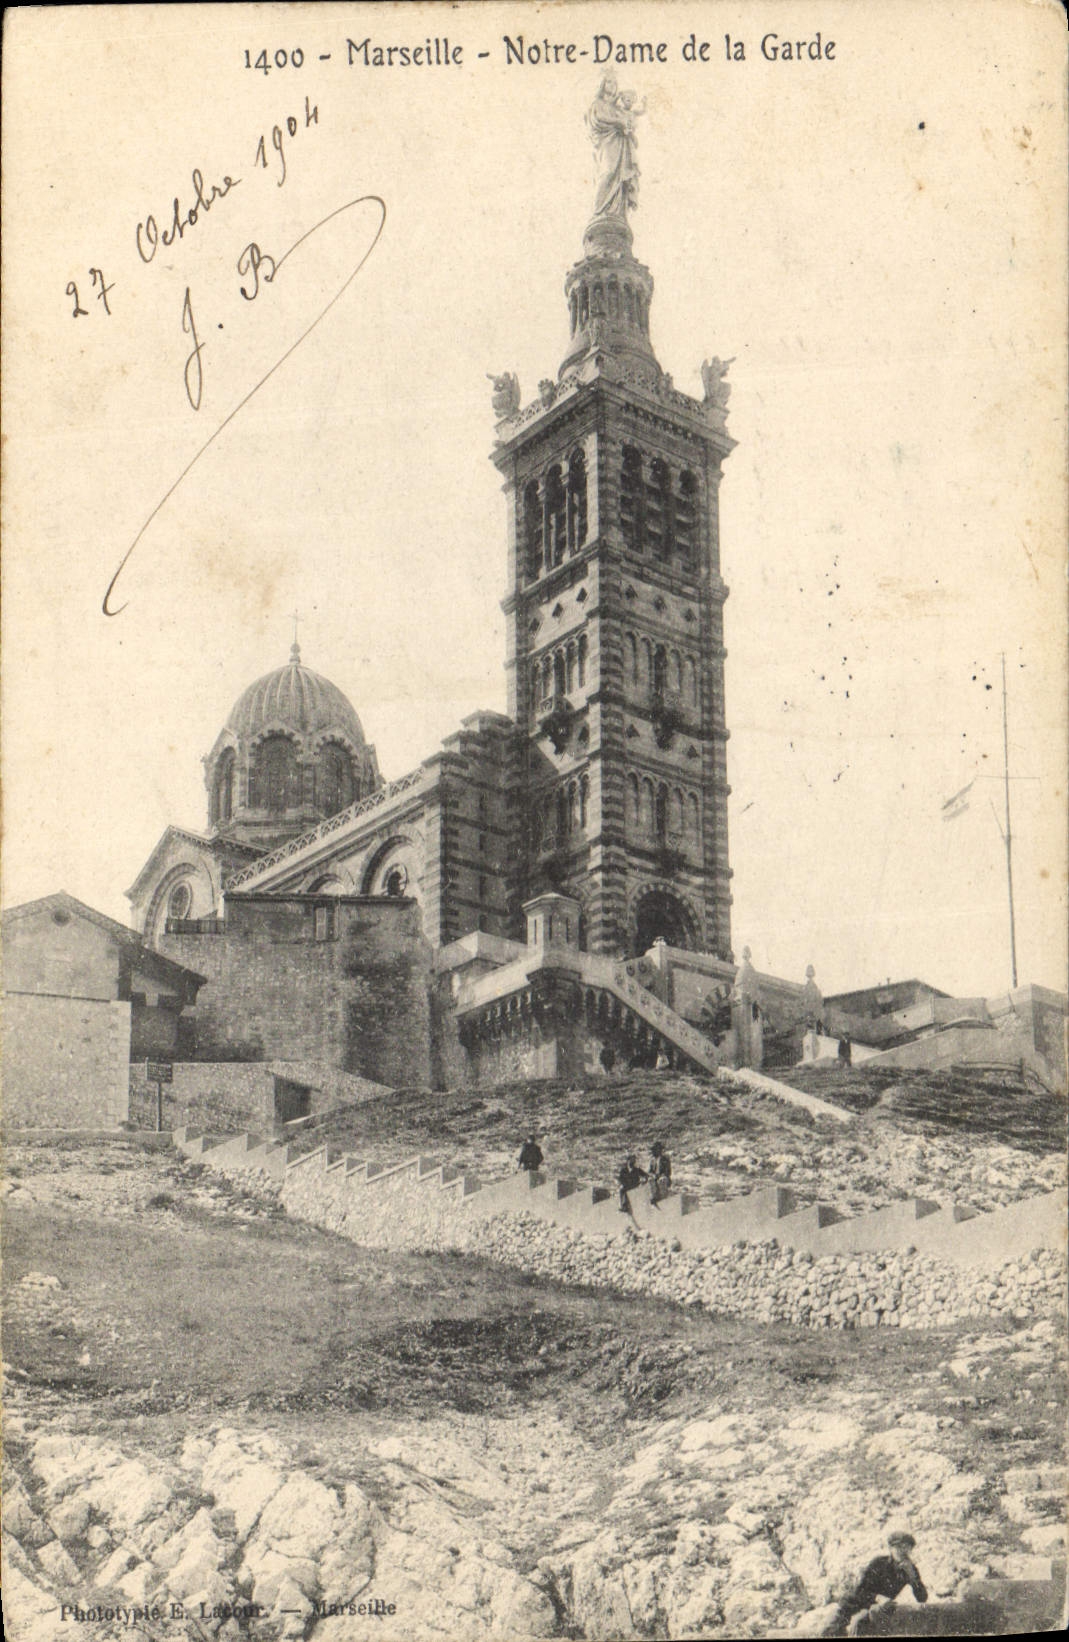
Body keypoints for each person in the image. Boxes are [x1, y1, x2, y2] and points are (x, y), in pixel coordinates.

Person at [821, 1531, 928, 1637]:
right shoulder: (879, 1563)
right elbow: (859, 1591)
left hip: (873, 1611)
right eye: (898, 1547)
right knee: (828, 1630)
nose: (902, 1551)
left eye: (907, 1547)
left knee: (858, 1624)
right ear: (890, 1549)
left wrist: (914, 1578)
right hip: (852, 1604)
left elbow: (922, 1598)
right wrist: (878, 1597)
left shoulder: (909, 1569)